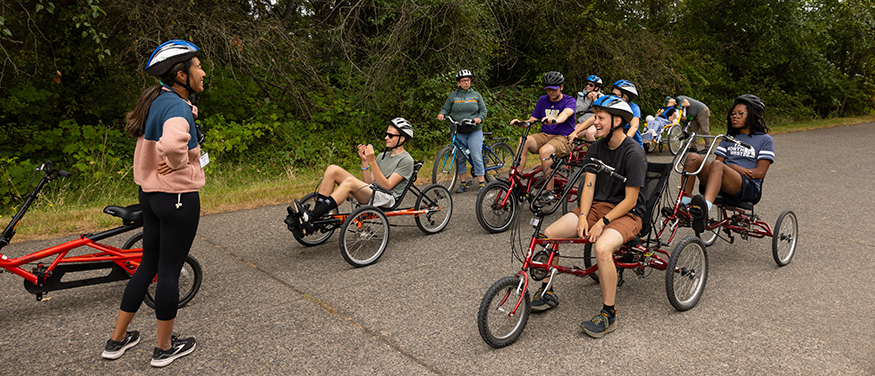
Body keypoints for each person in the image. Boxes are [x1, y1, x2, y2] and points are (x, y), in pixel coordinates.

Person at [102, 39, 206, 367]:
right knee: (169, 271)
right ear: (180, 74)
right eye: (198, 66)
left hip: (149, 196)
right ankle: (163, 348)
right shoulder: (176, 106)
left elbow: (167, 137)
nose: (203, 72)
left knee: (147, 266)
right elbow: (175, 141)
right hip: (176, 198)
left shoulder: (159, 100)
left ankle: (116, 341)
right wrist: (176, 161)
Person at [531, 95, 647, 339]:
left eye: (600, 117)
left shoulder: (633, 153)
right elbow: (588, 187)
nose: (595, 122)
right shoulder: (595, 148)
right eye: (595, 116)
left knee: (602, 248)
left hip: (627, 214)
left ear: (617, 121)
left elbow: (631, 200)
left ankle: (608, 313)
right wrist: (583, 217)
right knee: (548, 235)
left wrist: (603, 224)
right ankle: (546, 291)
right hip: (596, 208)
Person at [286, 117, 415, 232]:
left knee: (349, 182)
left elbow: (387, 186)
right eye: (386, 134)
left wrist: (372, 162)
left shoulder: (406, 160)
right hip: (373, 192)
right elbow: (369, 183)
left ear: (401, 138)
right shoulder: (382, 156)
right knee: (332, 169)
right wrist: (365, 161)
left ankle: (311, 217)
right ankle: (316, 218)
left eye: (390, 135)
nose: (386, 137)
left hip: (387, 198)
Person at [682, 94, 774, 234]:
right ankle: (683, 205)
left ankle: (705, 210)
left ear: (753, 115)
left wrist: (734, 168)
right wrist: (731, 168)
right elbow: (716, 164)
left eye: (740, 114)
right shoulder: (729, 137)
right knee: (692, 157)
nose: (734, 116)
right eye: (733, 114)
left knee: (718, 165)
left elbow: (758, 173)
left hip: (747, 187)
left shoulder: (765, 140)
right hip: (721, 179)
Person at [509, 71, 576, 201]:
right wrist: (521, 123)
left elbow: (566, 114)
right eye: (548, 89)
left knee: (544, 151)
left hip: (563, 138)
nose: (551, 92)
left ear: (561, 87)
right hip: (545, 135)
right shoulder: (542, 100)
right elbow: (532, 120)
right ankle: (516, 180)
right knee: (524, 140)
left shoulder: (569, 100)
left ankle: (549, 191)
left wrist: (555, 120)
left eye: (554, 89)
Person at [436, 69, 489, 193]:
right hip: (458, 130)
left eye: (468, 80)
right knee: (460, 158)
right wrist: (442, 114)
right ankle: (463, 184)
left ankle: (482, 184)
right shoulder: (453, 96)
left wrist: (479, 118)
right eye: (463, 81)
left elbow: (483, 110)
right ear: (459, 83)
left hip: (474, 130)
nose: (466, 83)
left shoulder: (476, 95)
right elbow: (446, 108)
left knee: (476, 156)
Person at [571, 80, 644, 150]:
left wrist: (623, 143)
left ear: (624, 97)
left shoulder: (634, 108)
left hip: (631, 146)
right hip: (614, 145)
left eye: (614, 94)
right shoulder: (611, 107)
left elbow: (634, 127)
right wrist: (575, 132)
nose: (611, 96)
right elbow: (592, 119)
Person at [573, 75, 605, 140]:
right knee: (573, 134)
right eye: (587, 84)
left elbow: (601, 112)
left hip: (596, 123)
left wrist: (595, 100)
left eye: (590, 85)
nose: (587, 86)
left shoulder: (602, 97)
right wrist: (588, 101)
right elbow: (577, 109)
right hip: (582, 122)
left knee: (589, 134)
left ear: (596, 88)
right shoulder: (582, 95)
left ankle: (593, 150)